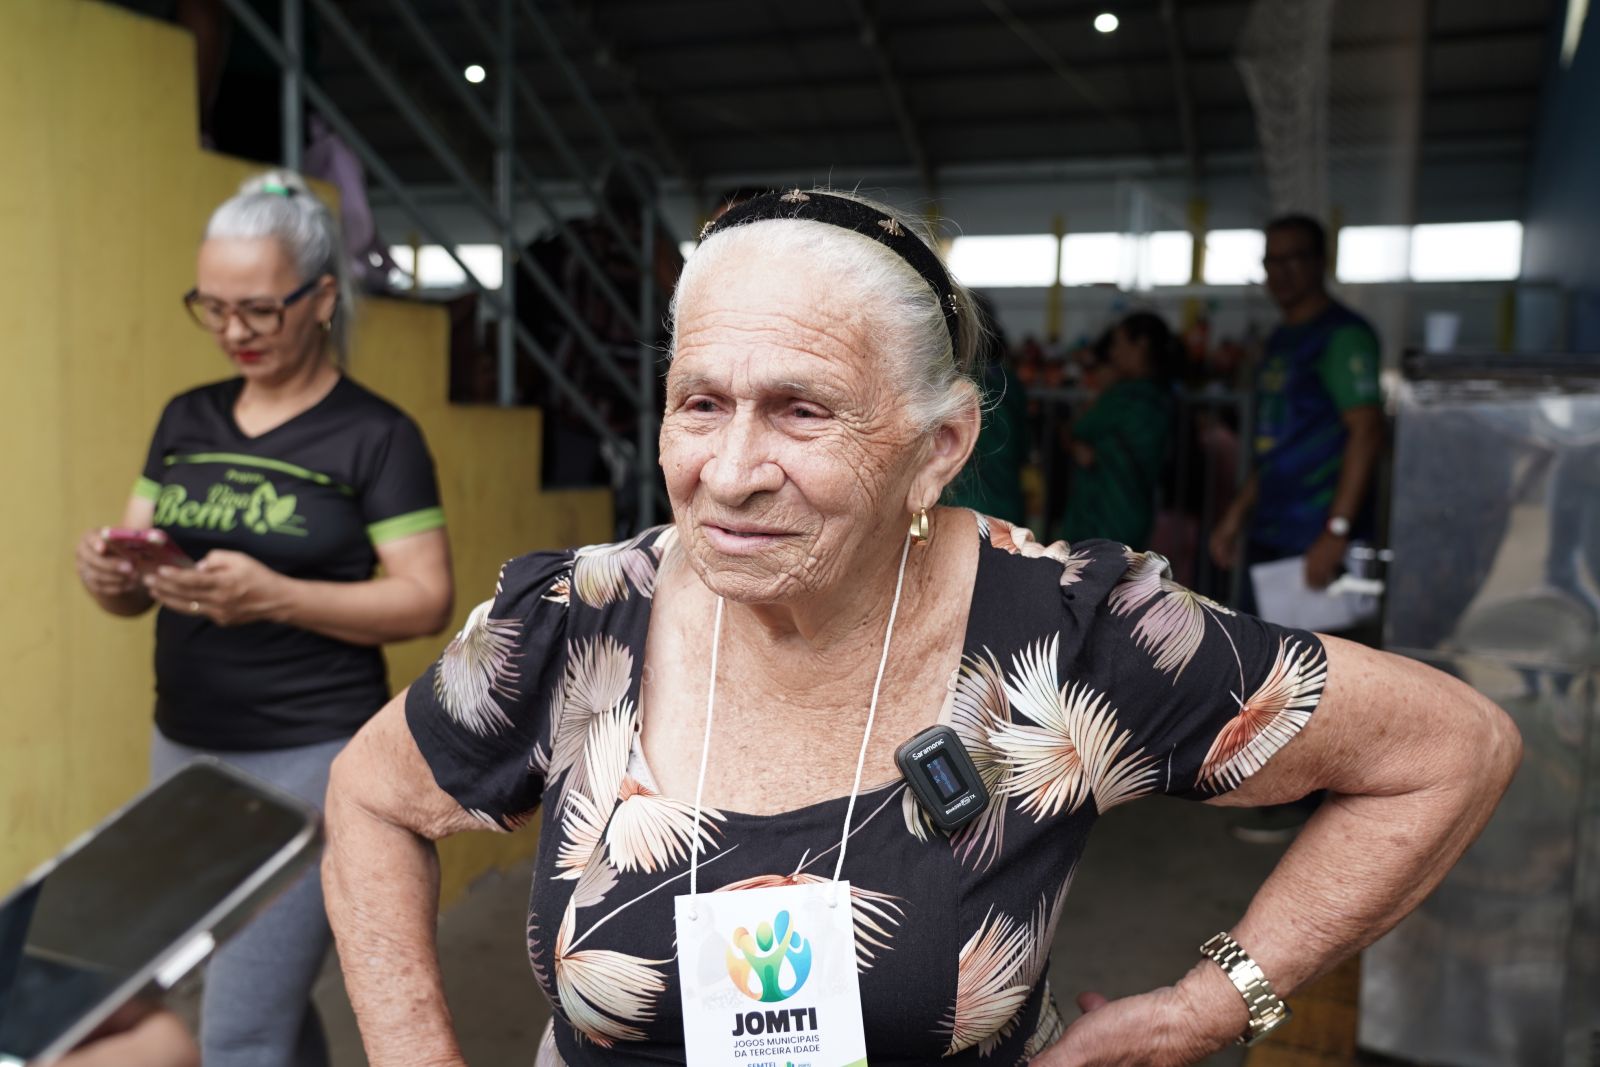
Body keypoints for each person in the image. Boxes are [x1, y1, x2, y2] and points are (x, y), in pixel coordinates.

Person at [321, 190, 1518, 1066]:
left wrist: (1218, 1000)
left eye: (800, 410)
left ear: (937, 447)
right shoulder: (582, 616)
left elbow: (1448, 748)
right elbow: (371, 798)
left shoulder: (1071, 636)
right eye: (700, 403)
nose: (730, 471)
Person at [73, 170, 454, 1067]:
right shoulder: (186, 418)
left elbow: (424, 596)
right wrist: (109, 572)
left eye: (259, 309)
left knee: (241, 1025)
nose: (233, 331)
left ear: (322, 298)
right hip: (186, 752)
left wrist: (273, 595)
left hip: (312, 758)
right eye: (212, 307)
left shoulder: (376, 436)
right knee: (265, 1005)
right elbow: (134, 584)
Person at [1209, 214, 1384, 600]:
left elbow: (1367, 431)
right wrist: (1235, 517)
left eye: (1294, 259)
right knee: (1260, 653)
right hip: (1271, 530)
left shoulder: (1343, 336)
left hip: (1315, 538)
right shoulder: (1280, 339)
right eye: (1272, 261)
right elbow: (1278, 445)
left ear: (1322, 262)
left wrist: (1337, 530)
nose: (1280, 272)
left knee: (1315, 658)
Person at [1057, 311, 1180, 548]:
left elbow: (1081, 429)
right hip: (1125, 512)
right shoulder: (1159, 398)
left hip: (1110, 513)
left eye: (1118, 344)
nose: (1114, 354)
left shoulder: (1130, 398)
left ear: (1141, 346)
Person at [944, 292, 1028, 524]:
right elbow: (1023, 447)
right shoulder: (1010, 382)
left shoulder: (946, 384)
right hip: (1006, 507)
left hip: (959, 508)